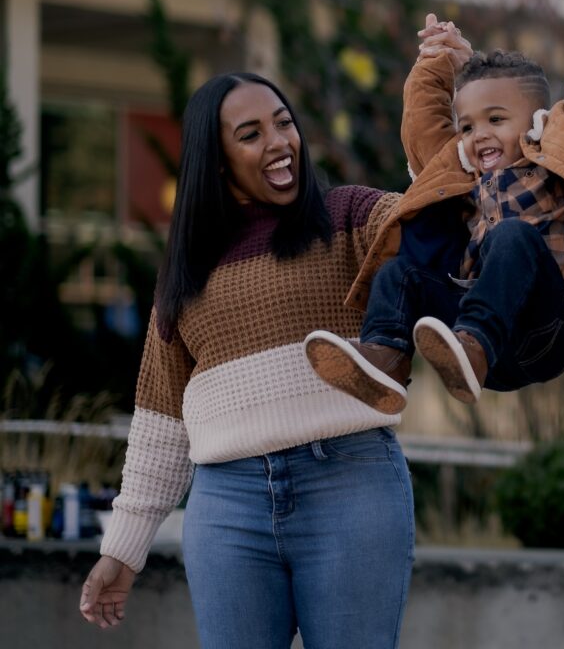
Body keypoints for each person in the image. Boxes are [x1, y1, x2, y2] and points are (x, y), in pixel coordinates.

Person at [78, 73, 416, 649]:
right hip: (227, 507)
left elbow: (430, 219)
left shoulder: (348, 216)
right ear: (217, 160)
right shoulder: (186, 268)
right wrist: (123, 550)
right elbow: (161, 419)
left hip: (349, 486)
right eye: (251, 134)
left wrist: (442, 103)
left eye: (284, 123)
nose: (279, 142)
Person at [304, 0, 564, 407]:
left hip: (550, 326)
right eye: (467, 125)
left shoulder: (563, 141)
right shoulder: (461, 170)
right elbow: (423, 129)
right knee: (398, 271)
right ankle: (386, 359)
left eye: (496, 120)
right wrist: (434, 63)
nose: (478, 134)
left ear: (536, 118)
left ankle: (473, 343)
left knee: (511, 236)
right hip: (481, 337)